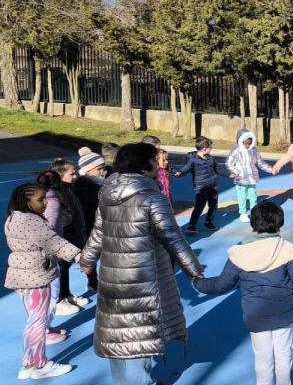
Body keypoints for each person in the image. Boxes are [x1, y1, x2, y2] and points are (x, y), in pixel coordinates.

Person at [80, 143, 204, 385]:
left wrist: (86, 261)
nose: (158, 165)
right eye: (154, 160)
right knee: (138, 335)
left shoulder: (107, 193)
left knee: (118, 334)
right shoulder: (151, 198)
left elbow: (98, 233)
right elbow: (174, 239)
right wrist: (196, 273)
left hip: (113, 278)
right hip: (143, 278)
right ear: (144, 165)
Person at [194, 201, 293, 385]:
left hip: (256, 314)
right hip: (284, 312)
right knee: (283, 355)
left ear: (253, 223)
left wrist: (198, 282)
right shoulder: (287, 248)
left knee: (262, 359)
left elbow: (220, 285)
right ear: (279, 222)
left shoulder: (239, 253)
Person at [4, 183, 81, 380]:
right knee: (37, 322)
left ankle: (28, 364)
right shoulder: (31, 221)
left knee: (33, 320)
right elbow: (54, 242)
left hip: (22, 276)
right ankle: (39, 364)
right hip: (36, 276)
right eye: (40, 200)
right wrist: (80, 256)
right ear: (26, 202)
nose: (45, 202)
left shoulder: (14, 217)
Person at [38, 161, 88, 316]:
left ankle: (66, 294)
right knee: (58, 269)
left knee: (65, 267)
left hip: (70, 233)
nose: (75, 175)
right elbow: (54, 221)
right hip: (61, 235)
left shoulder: (67, 189)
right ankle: (58, 301)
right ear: (59, 176)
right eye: (71, 173)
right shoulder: (54, 195)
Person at [175, 136, 231, 235]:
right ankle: (192, 225)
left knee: (213, 206)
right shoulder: (193, 160)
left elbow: (218, 169)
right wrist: (179, 172)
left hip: (213, 186)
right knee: (199, 206)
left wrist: (229, 174)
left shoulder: (210, 158)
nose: (211, 149)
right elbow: (186, 168)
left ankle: (208, 222)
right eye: (211, 147)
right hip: (201, 187)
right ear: (205, 148)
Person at [227, 130, 276, 222]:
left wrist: (271, 169)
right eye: (245, 143)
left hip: (252, 178)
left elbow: (260, 163)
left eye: (249, 143)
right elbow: (229, 163)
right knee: (242, 197)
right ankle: (243, 213)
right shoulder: (236, 151)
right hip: (241, 179)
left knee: (253, 196)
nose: (247, 145)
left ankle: (254, 212)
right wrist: (235, 172)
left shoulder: (254, 151)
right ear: (240, 141)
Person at [73, 147, 105, 291]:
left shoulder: (98, 182)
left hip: (101, 224)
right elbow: (83, 211)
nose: (102, 171)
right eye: (99, 168)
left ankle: (101, 279)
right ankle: (92, 281)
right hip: (90, 226)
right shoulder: (82, 187)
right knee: (90, 255)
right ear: (88, 169)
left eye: (103, 168)